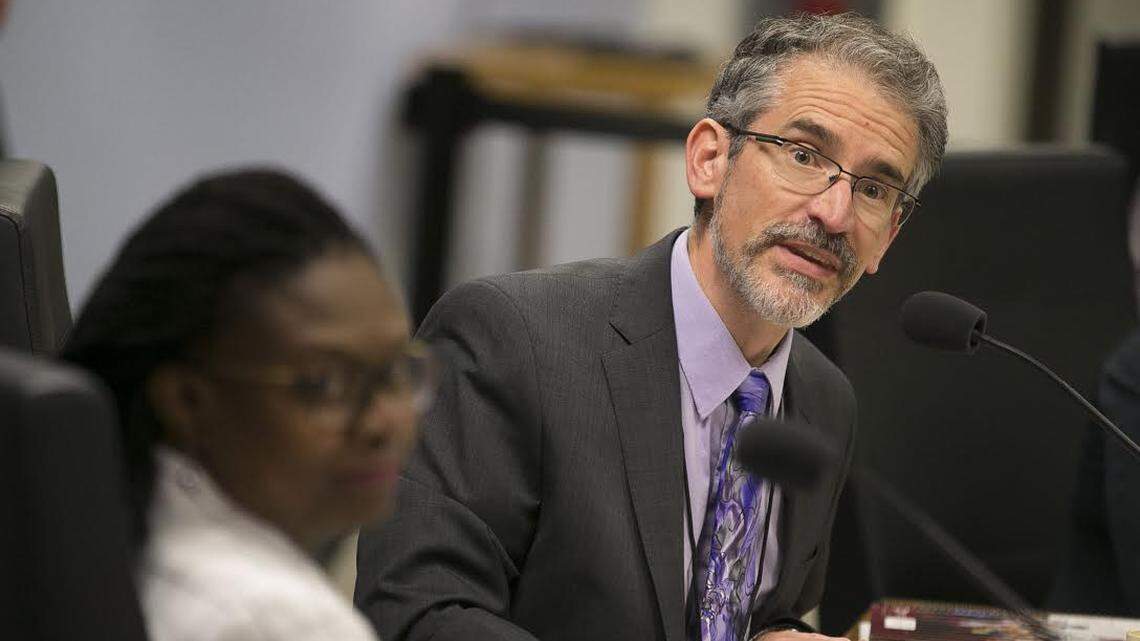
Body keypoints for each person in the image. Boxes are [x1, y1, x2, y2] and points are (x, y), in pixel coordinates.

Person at [356, 12, 947, 641]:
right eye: (804, 155)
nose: (834, 214)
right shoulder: (511, 338)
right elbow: (417, 615)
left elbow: (745, 611)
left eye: (875, 190)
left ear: (890, 236)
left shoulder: (824, 401)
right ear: (710, 160)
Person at [62, 169, 429, 641]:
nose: (385, 422)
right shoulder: (276, 621)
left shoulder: (98, 528)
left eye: (397, 371)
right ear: (187, 401)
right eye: (324, 383)